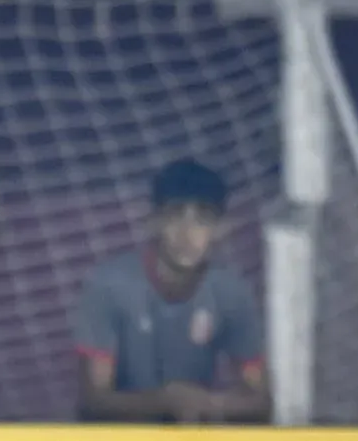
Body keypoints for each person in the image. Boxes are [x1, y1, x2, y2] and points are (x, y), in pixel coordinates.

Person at [74, 158, 271, 424]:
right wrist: (164, 401)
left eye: (202, 219)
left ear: (221, 229)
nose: (186, 233)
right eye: (175, 215)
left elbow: (261, 401)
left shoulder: (231, 292)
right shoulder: (109, 284)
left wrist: (204, 403)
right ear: (153, 222)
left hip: (194, 440)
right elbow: (93, 400)